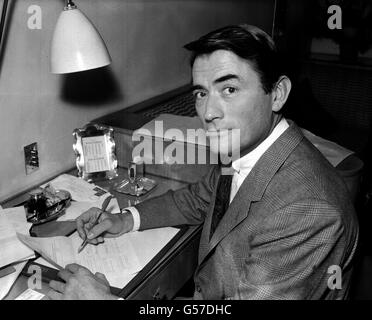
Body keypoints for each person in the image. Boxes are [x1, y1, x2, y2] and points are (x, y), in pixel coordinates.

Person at [47, 24, 359, 300]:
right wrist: (125, 219)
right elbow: (200, 197)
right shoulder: (245, 149)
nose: (208, 112)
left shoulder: (308, 211)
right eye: (201, 93)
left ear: (277, 94)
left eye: (230, 89)